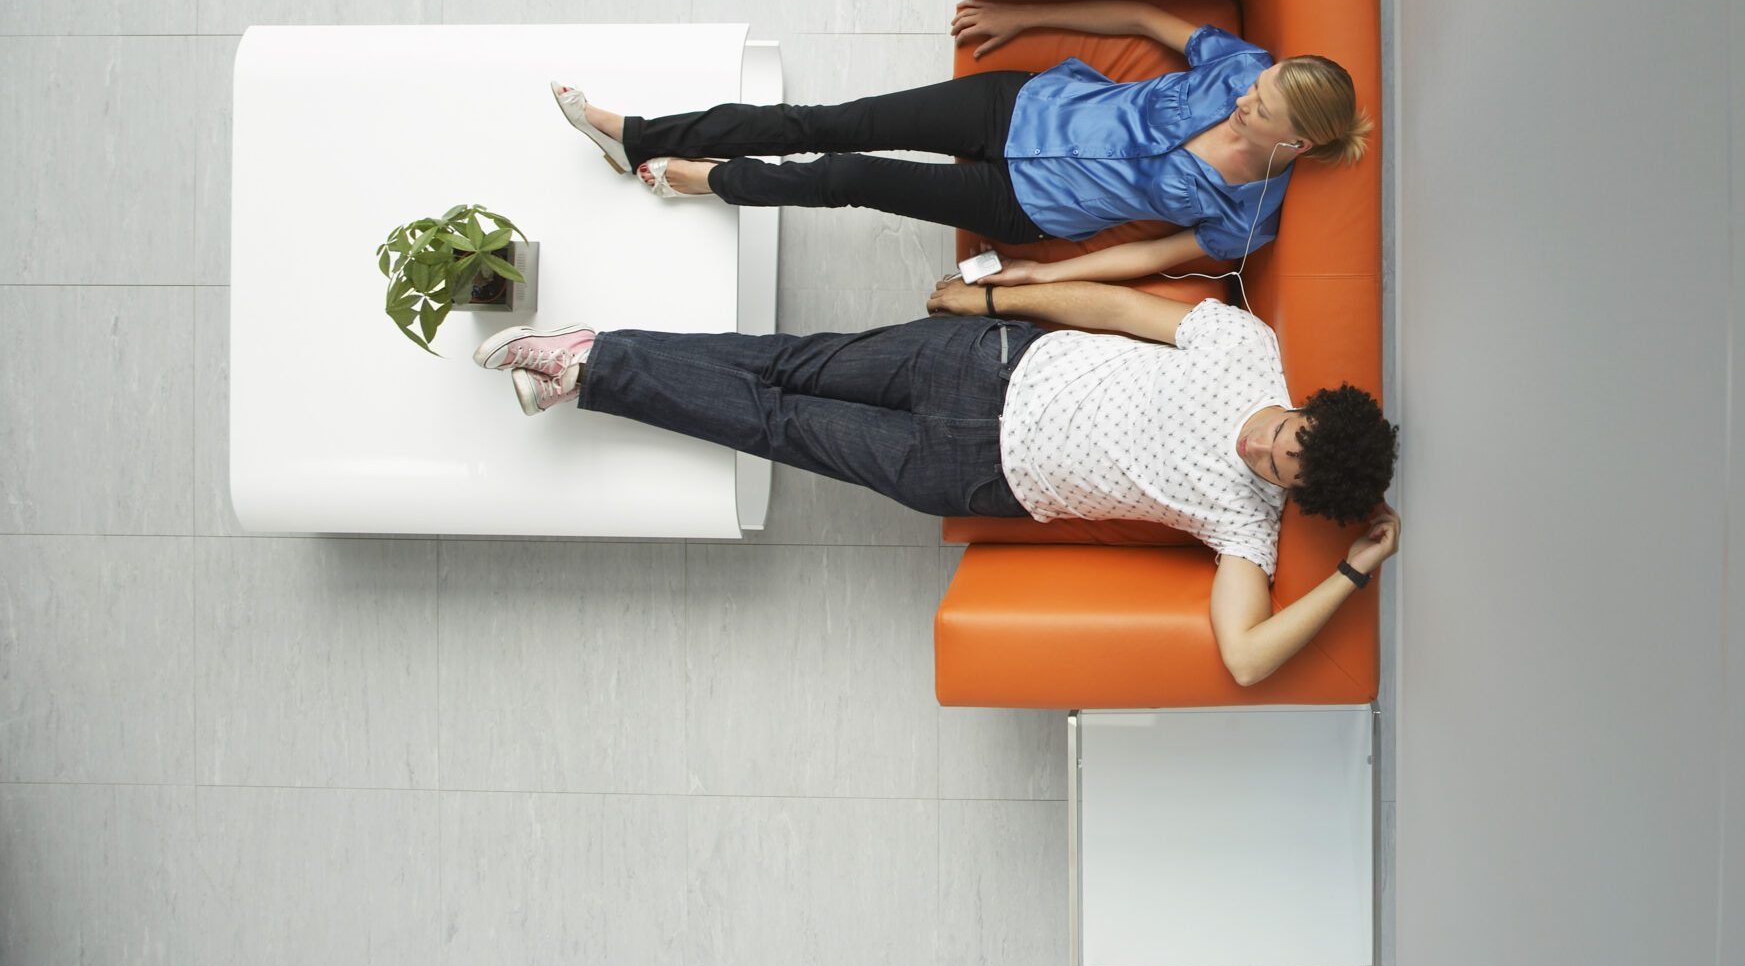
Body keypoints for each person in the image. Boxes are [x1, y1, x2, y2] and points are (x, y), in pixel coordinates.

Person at [471, 279, 1400, 687]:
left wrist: (1352, 573)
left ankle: (588, 365)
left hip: (969, 470)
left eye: (1283, 467)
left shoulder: (1249, 525)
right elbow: (1115, 309)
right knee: (783, 361)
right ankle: (590, 362)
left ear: (1294, 490)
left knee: (775, 422)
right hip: (982, 363)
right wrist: (996, 299)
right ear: (1309, 402)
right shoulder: (1247, 349)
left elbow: (1245, 657)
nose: (1263, 451)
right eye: (1289, 433)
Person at [550, 0, 1371, 287]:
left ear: (1294, 143)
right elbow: (1140, 21)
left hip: (1021, 204)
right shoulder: (1240, 64)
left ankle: (709, 182)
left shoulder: (1250, 213)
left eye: (1257, 109)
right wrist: (1025, 19)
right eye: (1254, 86)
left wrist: (1033, 272)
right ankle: (636, 136)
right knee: (826, 122)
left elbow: (1147, 257)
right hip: (1017, 108)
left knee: (846, 176)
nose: (1242, 98)